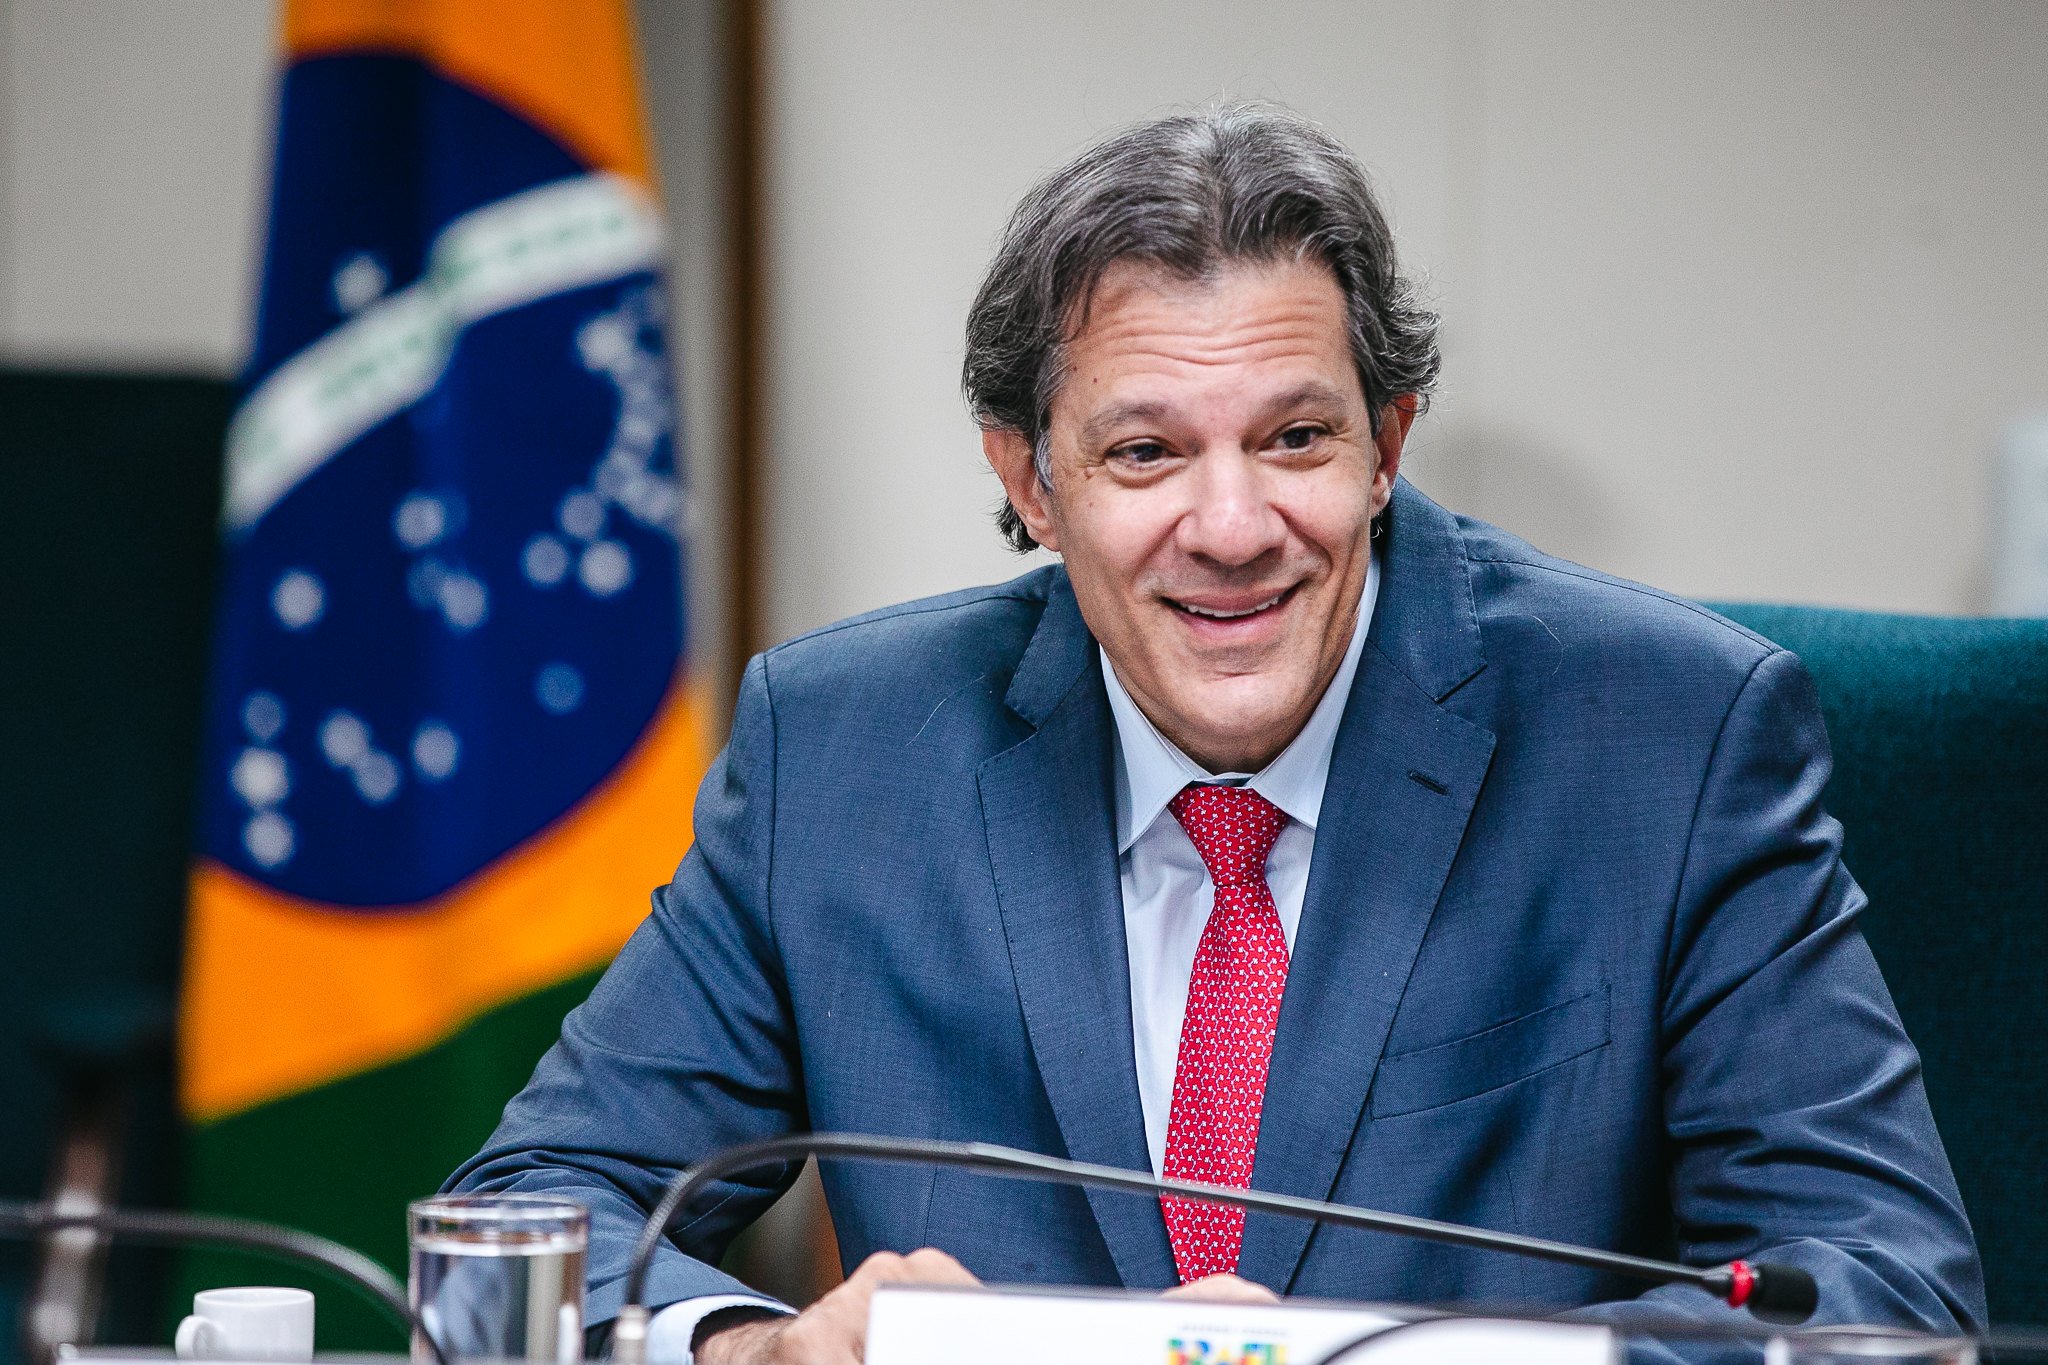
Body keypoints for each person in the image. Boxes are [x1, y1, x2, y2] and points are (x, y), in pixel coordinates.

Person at [448, 102, 1984, 1364]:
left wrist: (1387, 1364)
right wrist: (747, 1349)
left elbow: (1884, 1297)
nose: (1233, 525)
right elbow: (510, 1234)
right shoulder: (836, 755)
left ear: (1388, 443)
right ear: (1033, 482)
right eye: (1145, 452)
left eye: (1296, 436)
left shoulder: (1668, 737)